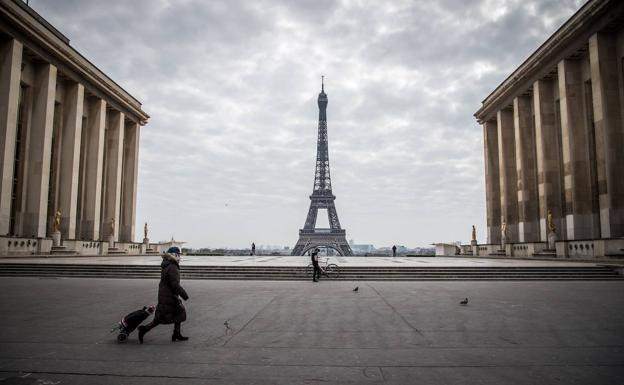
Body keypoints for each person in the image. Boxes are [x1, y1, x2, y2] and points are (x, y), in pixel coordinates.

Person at [138, 246, 189, 343]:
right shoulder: (172, 267)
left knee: (179, 313)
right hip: (168, 296)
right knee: (161, 318)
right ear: (174, 255)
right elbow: (175, 285)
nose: (180, 257)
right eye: (178, 255)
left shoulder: (167, 265)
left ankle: (176, 334)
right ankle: (144, 329)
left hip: (165, 294)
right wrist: (184, 295)